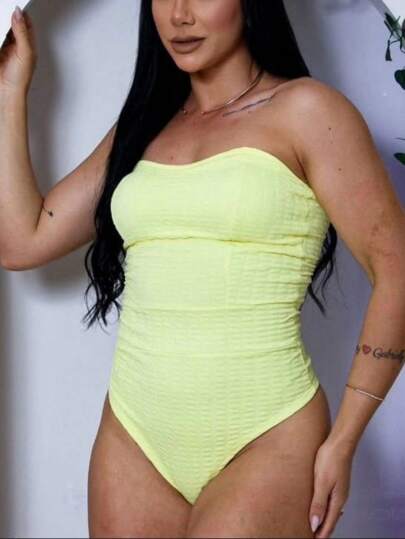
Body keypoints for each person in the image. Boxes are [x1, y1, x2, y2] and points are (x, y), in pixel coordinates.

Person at [1, 2, 404, 538]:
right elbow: (22, 240)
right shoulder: (144, 124)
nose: (179, 15)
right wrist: (9, 91)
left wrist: (345, 439)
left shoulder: (308, 110)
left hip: (267, 434)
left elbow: (396, 268)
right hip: (134, 435)